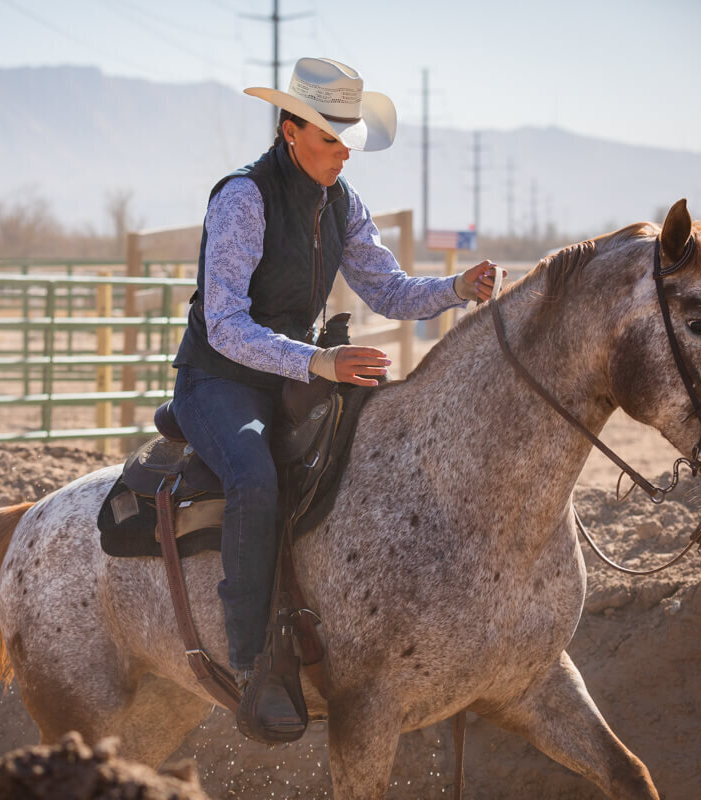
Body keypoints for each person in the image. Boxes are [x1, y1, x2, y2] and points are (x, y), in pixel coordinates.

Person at [170, 57, 502, 741]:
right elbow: (228, 326)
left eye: (348, 136)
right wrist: (320, 360)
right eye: (329, 136)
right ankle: (252, 658)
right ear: (290, 129)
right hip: (219, 380)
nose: (343, 150)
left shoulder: (343, 201)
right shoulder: (242, 198)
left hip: (295, 373)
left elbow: (387, 289)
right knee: (255, 478)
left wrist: (455, 290)